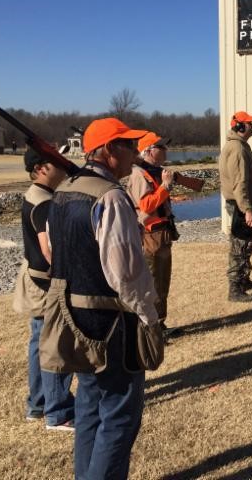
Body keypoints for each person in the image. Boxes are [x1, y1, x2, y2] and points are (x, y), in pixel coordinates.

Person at [45, 118, 160, 479]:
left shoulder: (63, 191)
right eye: (128, 145)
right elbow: (125, 272)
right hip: (111, 324)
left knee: (90, 410)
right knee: (120, 416)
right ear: (109, 150)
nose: (134, 153)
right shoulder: (110, 197)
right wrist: (149, 318)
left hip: (73, 320)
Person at [13, 146, 75, 431]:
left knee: (39, 343)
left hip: (34, 280)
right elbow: (49, 249)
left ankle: (38, 404)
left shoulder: (36, 195)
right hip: (44, 283)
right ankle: (58, 411)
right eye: (55, 162)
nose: (63, 166)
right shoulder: (44, 202)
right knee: (55, 346)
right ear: (40, 168)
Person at [127, 132, 178, 337]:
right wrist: (165, 186)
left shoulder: (153, 171)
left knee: (162, 281)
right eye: (161, 147)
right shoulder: (140, 174)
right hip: (151, 236)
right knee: (154, 282)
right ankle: (151, 330)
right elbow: (146, 205)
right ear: (148, 151)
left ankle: (160, 325)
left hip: (161, 235)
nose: (165, 151)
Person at [219, 111, 252, 302]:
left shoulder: (239, 146)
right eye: (249, 123)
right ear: (240, 126)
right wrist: (247, 210)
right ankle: (235, 290)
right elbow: (239, 183)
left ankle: (244, 280)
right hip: (242, 206)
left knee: (247, 244)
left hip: (245, 204)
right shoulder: (238, 149)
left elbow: (245, 178)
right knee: (239, 246)